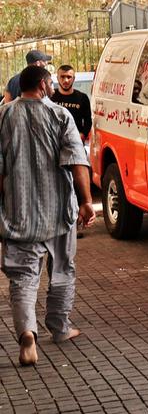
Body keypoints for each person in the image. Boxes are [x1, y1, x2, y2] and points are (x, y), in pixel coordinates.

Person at [0, 65, 95, 366]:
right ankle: (60, 327)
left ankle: (27, 333)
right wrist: (86, 202)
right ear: (42, 84)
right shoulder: (59, 115)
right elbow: (76, 163)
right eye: (51, 81)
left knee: (23, 279)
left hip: (18, 214)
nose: (54, 85)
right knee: (62, 271)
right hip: (58, 213)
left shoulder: (3, 115)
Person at [50, 65, 91, 145]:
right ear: (57, 78)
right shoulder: (50, 97)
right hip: (54, 143)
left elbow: (88, 121)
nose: (66, 80)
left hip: (75, 143)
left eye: (69, 77)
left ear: (74, 79)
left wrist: (83, 135)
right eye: (62, 77)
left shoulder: (82, 97)